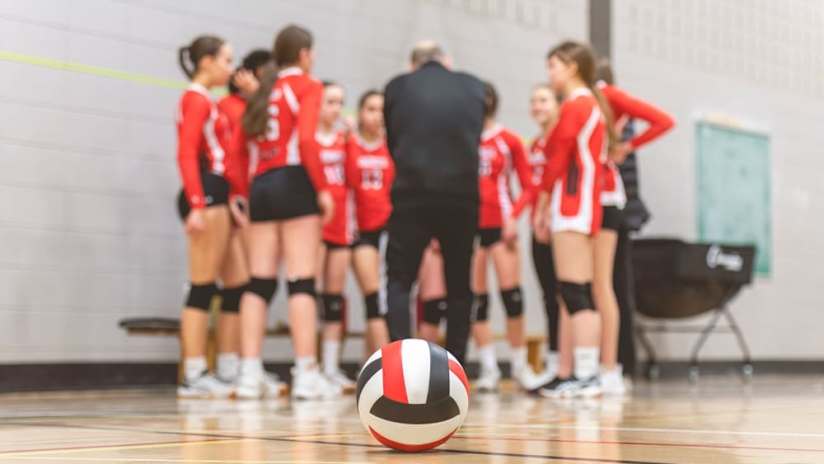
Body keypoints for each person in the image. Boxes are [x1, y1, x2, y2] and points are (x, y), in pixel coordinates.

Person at [229, 24, 340, 400]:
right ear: (305, 54)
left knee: (258, 283)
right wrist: (324, 188)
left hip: (262, 185)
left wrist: (241, 195)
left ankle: (247, 373)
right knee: (301, 281)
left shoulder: (265, 90)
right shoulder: (308, 86)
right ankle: (306, 372)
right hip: (295, 180)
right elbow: (307, 140)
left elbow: (238, 150)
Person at [382, 41, 485, 365]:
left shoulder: (398, 86)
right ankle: (457, 365)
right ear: (447, 62)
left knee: (400, 280)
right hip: (461, 195)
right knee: (459, 284)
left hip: (413, 192)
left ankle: (399, 362)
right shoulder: (473, 86)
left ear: (414, 65)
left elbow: (393, 140)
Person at [532, 40, 616, 399]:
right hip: (583, 205)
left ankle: (586, 373)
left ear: (572, 67)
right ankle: (581, 373)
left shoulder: (577, 105)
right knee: (577, 291)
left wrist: (541, 203)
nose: (549, 73)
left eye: (554, 65)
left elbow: (557, 160)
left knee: (576, 291)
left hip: (572, 206)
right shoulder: (591, 105)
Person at [594, 59, 674, 394]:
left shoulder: (607, 97)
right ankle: (608, 363)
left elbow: (664, 120)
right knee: (606, 283)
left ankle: (619, 364)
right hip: (605, 203)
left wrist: (629, 146)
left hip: (614, 206)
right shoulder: (596, 107)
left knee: (613, 283)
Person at [174, 35, 244, 398]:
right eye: (227, 60)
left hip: (220, 193)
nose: (230, 69)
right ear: (206, 61)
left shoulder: (210, 101)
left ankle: (230, 368)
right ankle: (194, 372)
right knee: (203, 284)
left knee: (237, 282)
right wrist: (197, 204)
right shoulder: (194, 99)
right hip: (205, 192)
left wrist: (233, 199)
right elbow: (186, 153)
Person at [469, 82, 548, 392]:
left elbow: (529, 186)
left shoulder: (508, 140)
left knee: (511, 296)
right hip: (470, 225)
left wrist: (514, 217)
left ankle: (519, 366)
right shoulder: (463, 138)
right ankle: (488, 368)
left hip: (501, 225)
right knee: (478, 300)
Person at [212, 48, 277, 389]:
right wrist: (232, 198)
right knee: (240, 286)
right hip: (234, 202)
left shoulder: (258, 108)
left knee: (259, 284)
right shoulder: (229, 108)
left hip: (256, 203)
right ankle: (230, 366)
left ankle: (243, 364)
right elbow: (228, 159)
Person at [315, 81, 356, 391]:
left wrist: (353, 135)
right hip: (314, 226)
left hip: (341, 225)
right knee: (308, 295)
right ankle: (310, 366)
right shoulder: (306, 140)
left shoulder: (345, 141)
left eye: (339, 102)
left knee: (334, 299)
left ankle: (330, 367)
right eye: (329, 101)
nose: (335, 109)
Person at [345, 90, 393, 356]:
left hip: (387, 229)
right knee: (373, 296)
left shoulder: (391, 146)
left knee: (383, 299)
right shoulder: (349, 143)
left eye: (381, 110)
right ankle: (388, 365)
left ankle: (370, 364)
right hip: (359, 230)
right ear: (360, 113)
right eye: (371, 109)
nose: (376, 115)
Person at [524, 83, 566, 382]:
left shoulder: (562, 139)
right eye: (534, 101)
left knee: (570, 296)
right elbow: (531, 188)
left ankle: (573, 362)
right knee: (549, 295)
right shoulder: (534, 144)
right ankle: (554, 362)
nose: (538, 106)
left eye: (544, 100)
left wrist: (547, 213)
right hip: (537, 227)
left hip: (561, 225)